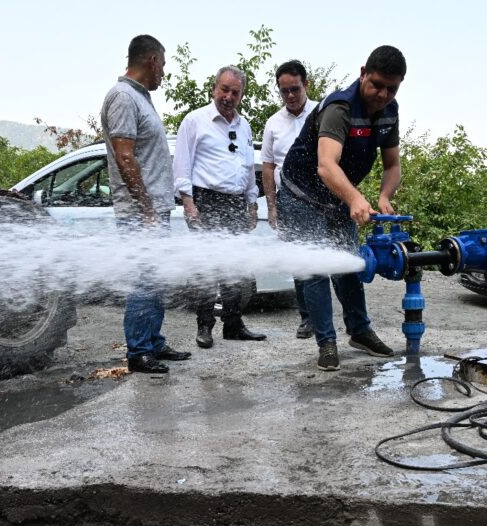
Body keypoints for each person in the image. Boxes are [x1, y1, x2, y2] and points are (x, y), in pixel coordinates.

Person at [278, 45, 405, 371]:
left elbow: (392, 166)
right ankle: (327, 342)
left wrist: (383, 196)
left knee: (349, 262)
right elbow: (326, 166)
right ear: (363, 73)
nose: (383, 94)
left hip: (336, 196)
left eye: (392, 88)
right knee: (317, 268)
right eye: (377, 84)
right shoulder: (340, 107)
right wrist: (354, 199)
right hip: (300, 195)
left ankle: (360, 331)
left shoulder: (390, 112)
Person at [102, 34, 191, 374]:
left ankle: (153, 341)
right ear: (152, 60)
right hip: (141, 213)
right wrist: (147, 208)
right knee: (143, 279)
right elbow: (125, 158)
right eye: (163, 66)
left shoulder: (139, 98)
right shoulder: (123, 97)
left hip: (152, 210)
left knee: (155, 279)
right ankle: (138, 351)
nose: (163, 74)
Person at [173, 65, 266, 349]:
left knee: (235, 267)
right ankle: (204, 327)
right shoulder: (195, 121)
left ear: (241, 96)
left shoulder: (245, 125)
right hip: (207, 201)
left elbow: (248, 167)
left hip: (236, 202)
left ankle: (234, 325)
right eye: (224, 89)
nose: (228, 96)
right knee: (206, 268)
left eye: (235, 92)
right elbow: (182, 165)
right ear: (214, 89)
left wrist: (251, 203)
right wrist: (189, 203)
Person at [262, 59, 318, 339]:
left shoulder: (323, 114)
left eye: (295, 89)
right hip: (289, 202)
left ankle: (341, 317)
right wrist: (272, 207)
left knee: (330, 258)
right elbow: (269, 167)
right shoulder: (273, 123)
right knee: (299, 261)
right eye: (284, 91)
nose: (290, 96)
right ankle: (308, 317)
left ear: (306, 84)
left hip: (323, 200)